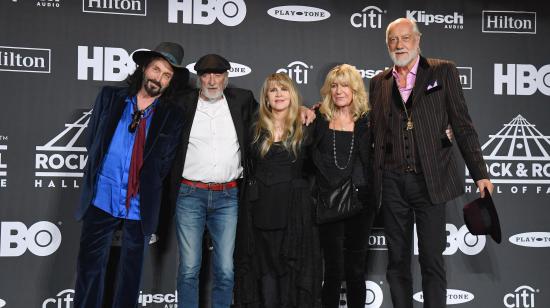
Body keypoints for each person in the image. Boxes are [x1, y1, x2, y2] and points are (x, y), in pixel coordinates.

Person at [368, 18, 494, 308]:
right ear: (387, 44)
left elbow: (462, 126)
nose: (399, 45)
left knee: (432, 260)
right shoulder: (378, 83)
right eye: (392, 40)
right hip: (391, 182)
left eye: (405, 38)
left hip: (431, 180)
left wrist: (480, 174)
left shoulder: (443, 70)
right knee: (397, 262)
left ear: (418, 40)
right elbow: (369, 129)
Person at [73, 42, 187, 308]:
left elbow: (166, 161)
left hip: (140, 202)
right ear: (144, 68)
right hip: (102, 194)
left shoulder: (173, 115)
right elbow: (94, 141)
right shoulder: (110, 97)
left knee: (130, 275)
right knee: (89, 268)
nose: (158, 78)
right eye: (156, 69)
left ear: (171, 82)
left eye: (166, 75)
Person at [233, 73, 322, 307]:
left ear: (292, 94)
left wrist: (308, 109)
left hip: (294, 213)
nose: (279, 94)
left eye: (284, 89)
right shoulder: (253, 127)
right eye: (273, 90)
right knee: (264, 272)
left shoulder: (307, 125)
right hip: (259, 211)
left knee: (290, 272)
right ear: (266, 97)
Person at [311, 64, 375, 308]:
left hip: (360, 204)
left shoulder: (369, 122)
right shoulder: (318, 118)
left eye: (345, 85)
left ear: (355, 89)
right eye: (334, 85)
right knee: (334, 271)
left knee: (356, 271)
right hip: (328, 202)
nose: (339, 91)